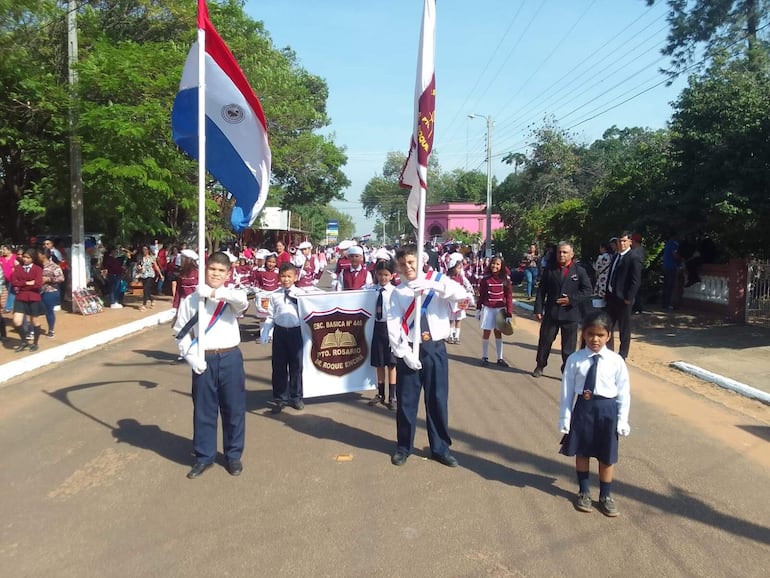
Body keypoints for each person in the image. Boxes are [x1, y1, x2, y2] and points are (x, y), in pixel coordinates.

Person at [386, 244, 468, 467]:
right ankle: (403, 447)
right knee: (406, 402)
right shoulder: (398, 291)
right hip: (410, 349)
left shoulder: (437, 281)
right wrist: (403, 352)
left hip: (435, 349)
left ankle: (440, 448)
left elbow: (462, 295)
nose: (408, 267)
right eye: (403, 264)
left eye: (411, 262)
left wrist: (434, 286)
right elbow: (393, 325)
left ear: (420, 261)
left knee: (438, 400)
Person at [174, 251, 249, 479]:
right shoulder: (191, 300)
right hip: (204, 358)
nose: (215, 273)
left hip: (230, 357)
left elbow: (242, 303)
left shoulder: (233, 295)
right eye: (212, 269)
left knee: (234, 409)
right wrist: (191, 357)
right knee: (204, 411)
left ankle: (233, 455)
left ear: (228, 273)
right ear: (205, 270)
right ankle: (204, 456)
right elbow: (181, 332)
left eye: (220, 270)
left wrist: (216, 293)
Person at [558, 310, 631, 517]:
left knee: (606, 456)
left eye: (600, 335)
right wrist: (565, 417)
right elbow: (567, 391)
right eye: (590, 334)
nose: (595, 339)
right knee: (582, 451)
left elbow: (624, 392)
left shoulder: (616, 361)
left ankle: (606, 495)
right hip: (583, 409)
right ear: (583, 334)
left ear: (608, 336)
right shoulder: (575, 359)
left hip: (607, 411)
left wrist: (622, 419)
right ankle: (584, 491)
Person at [532, 241, 593, 378]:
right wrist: (538, 309)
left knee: (569, 347)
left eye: (565, 252)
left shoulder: (579, 271)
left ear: (572, 254)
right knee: (545, 341)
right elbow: (542, 291)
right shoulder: (550, 269)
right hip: (551, 313)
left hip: (570, 314)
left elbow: (587, 290)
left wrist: (571, 299)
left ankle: (567, 369)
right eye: (560, 252)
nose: (562, 255)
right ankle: (540, 365)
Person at [261, 262, 306, 414]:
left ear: (295, 277)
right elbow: (271, 316)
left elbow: (308, 314)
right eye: (283, 276)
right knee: (279, 367)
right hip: (280, 333)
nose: (286, 279)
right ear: (279, 277)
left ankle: (296, 396)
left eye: (289, 276)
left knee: (296, 366)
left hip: (296, 332)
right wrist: (266, 331)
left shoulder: (301, 294)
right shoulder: (275, 295)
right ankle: (280, 398)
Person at [605, 232, 642, 359]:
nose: (621, 244)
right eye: (620, 241)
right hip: (611, 297)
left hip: (623, 299)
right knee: (607, 325)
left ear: (630, 242)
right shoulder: (616, 256)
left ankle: (622, 355)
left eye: (624, 241)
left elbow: (635, 280)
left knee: (624, 328)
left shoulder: (633, 257)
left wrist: (629, 298)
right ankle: (608, 352)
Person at [367, 259, 398, 410]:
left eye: (386, 275)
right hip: (376, 328)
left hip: (390, 329)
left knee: (391, 364)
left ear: (392, 276)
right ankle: (380, 394)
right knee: (379, 363)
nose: (383, 278)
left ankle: (392, 396)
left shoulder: (395, 292)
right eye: (380, 274)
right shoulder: (371, 290)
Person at [477, 255, 514, 367]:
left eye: (498, 264)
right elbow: (482, 295)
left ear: (501, 266)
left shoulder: (505, 280)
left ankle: (500, 358)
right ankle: (485, 356)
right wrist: (478, 309)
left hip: (500, 309)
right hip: (488, 309)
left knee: (498, 333)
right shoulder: (485, 279)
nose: (495, 266)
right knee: (486, 332)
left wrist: (509, 313)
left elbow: (509, 296)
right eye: (493, 263)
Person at [10, 248, 44, 352]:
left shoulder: (37, 269)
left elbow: (38, 284)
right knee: (17, 321)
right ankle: (24, 341)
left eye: (28, 257)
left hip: (33, 298)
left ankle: (35, 343)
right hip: (20, 297)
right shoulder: (18, 268)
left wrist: (24, 284)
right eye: (24, 257)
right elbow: (14, 282)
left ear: (32, 258)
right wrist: (28, 283)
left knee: (34, 321)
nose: (25, 259)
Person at [446, 252, 474, 344]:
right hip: (451, 301)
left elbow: (466, 285)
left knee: (459, 319)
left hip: (460, 302)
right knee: (451, 319)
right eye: (458, 268)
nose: (459, 270)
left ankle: (457, 336)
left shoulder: (461, 277)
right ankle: (450, 335)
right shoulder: (448, 278)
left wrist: (469, 292)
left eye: (460, 268)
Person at [37, 247, 65, 338]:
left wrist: (49, 279)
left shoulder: (54, 266)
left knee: (49, 311)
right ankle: (33, 329)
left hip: (50, 291)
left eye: (38, 254)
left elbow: (61, 278)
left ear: (44, 255)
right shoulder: (37, 266)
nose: (37, 256)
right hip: (38, 291)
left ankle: (51, 329)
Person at [135, 245, 163, 311]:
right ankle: (152, 299)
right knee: (147, 289)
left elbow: (156, 266)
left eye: (145, 249)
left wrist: (160, 274)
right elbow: (138, 265)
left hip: (150, 274)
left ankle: (144, 304)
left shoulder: (151, 257)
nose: (144, 251)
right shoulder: (140, 257)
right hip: (143, 274)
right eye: (143, 249)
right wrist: (139, 268)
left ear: (148, 250)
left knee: (145, 289)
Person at [661, 232, 679, 310]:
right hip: (671, 267)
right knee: (669, 285)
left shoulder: (668, 243)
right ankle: (667, 304)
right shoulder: (674, 244)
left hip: (666, 266)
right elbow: (675, 255)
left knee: (666, 285)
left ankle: (664, 303)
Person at [630, 233, 646, 315]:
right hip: (636, 272)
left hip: (637, 272)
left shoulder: (638, 251)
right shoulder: (636, 250)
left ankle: (637, 307)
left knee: (636, 290)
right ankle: (637, 306)